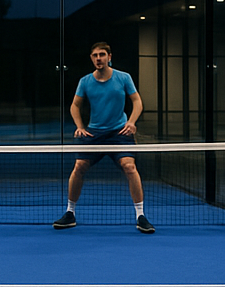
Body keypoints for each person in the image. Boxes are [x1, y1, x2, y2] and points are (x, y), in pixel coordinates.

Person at [53, 41, 151, 233]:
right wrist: (80, 127)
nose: (99, 58)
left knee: (130, 167)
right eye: (95, 55)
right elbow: (75, 106)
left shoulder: (123, 78)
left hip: (119, 132)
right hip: (94, 133)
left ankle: (141, 215)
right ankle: (70, 213)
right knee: (79, 167)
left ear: (109, 57)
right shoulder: (85, 81)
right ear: (92, 58)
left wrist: (131, 122)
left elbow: (137, 101)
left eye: (102, 55)